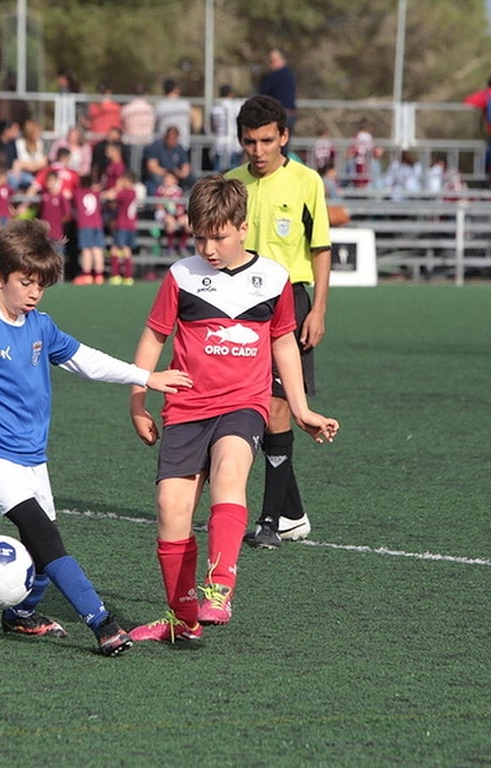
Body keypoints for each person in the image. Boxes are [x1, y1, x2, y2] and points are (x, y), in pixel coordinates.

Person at [0, 218, 192, 657]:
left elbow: (86, 361)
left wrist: (146, 377)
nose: (33, 294)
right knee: (43, 533)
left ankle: (21, 614)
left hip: (30, 454)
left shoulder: (40, 325)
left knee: (42, 545)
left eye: (40, 286)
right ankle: (102, 623)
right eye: (25, 283)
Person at [125, 175, 339, 643]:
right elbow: (155, 336)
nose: (209, 247)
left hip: (243, 403)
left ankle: (219, 589)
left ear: (243, 228)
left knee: (229, 469)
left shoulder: (274, 279)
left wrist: (300, 408)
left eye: (218, 236)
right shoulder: (182, 275)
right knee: (171, 507)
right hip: (185, 407)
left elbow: (283, 342)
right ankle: (182, 620)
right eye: (200, 236)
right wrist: (138, 397)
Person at [224, 94, 331, 549]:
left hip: (291, 302)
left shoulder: (307, 182)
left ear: (283, 137)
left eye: (267, 140)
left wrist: (320, 309)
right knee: (253, 407)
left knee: (279, 406)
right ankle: (292, 513)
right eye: (250, 142)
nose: (258, 150)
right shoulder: (229, 183)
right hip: (239, 306)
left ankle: (270, 520)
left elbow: (320, 248)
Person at [102, 170, 140, 285]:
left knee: (118, 249)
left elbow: (110, 195)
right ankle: (126, 276)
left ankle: (117, 275)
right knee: (124, 249)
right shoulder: (133, 192)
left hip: (123, 224)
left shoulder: (126, 192)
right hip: (130, 225)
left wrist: (99, 193)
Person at [73, 176, 106, 284]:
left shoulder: (78, 193)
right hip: (97, 225)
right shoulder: (96, 193)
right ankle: (99, 275)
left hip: (85, 225)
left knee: (86, 250)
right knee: (97, 250)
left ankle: (87, 275)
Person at [143, 125, 191, 195]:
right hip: (161, 175)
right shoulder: (156, 146)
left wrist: (181, 173)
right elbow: (152, 166)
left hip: (176, 175)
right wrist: (167, 173)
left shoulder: (179, 148)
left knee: (191, 179)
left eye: (174, 138)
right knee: (157, 179)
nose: (172, 140)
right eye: (170, 137)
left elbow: (185, 166)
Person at [259, 48, 297, 136]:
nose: (271, 64)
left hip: (278, 116)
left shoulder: (275, 76)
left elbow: (264, 92)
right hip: (289, 115)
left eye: (273, 61)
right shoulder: (289, 74)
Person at [209, 84, 243, 172]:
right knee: (234, 171)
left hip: (218, 143)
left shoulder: (215, 107)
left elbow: (212, 127)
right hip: (232, 143)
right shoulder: (235, 106)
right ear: (230, 94)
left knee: (217, 171)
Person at [153, 78, 191, 150]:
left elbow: (155, 123)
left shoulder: (159, 105)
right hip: (182, 143)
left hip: (165, 145)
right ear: (176, 89)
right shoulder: (185, 105)